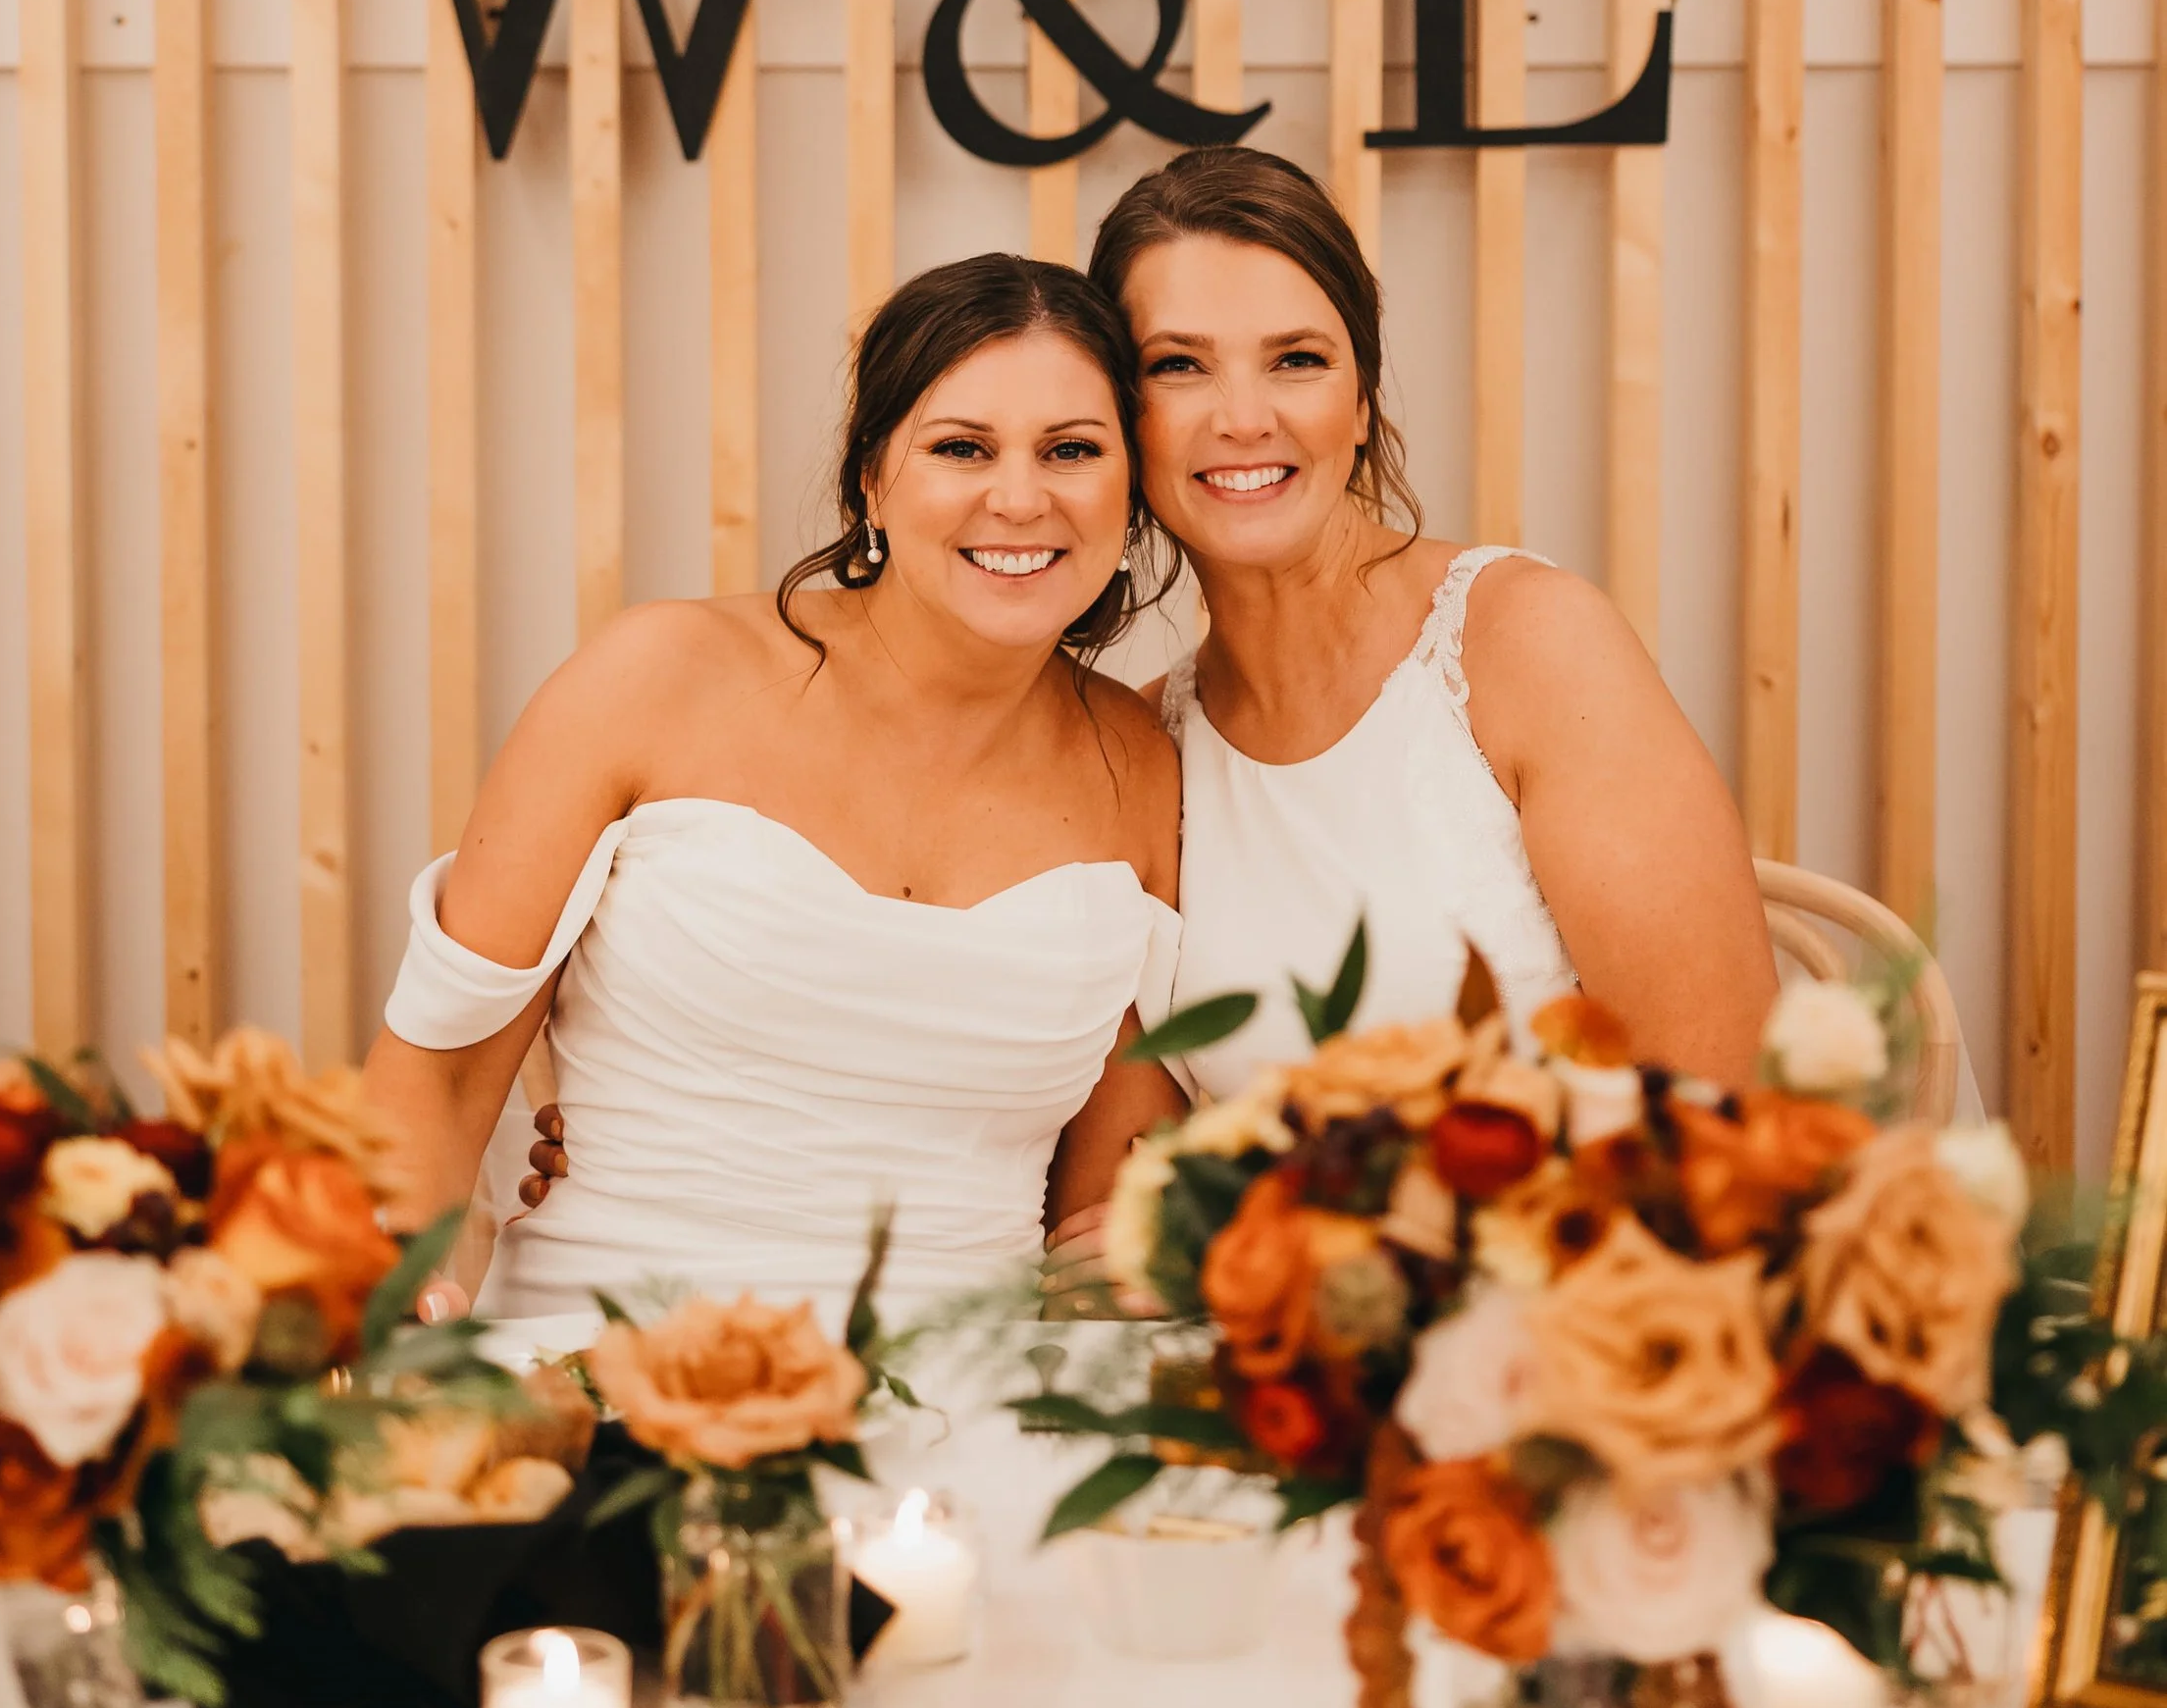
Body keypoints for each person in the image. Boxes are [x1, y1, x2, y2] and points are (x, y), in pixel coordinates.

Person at [362, 254, 1184, 1315]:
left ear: (1130, 490)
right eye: (960, 448)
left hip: (972, 1387)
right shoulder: (655, 676)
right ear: (870, 480)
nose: (1020, 498)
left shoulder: (1140, 766)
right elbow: (439, 1071)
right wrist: (395, 1319)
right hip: (604, 1363)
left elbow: (1106, 1207)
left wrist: (1166, 1253)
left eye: (1071, 450)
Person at [1090, 146, 1776, 1089]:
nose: (1243, 417)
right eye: (1179, 366)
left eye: (1297, 360)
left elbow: (1725, 1096)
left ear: (1360, 403)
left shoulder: (1529, 647)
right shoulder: (1143, 752)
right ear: (1120, 421)